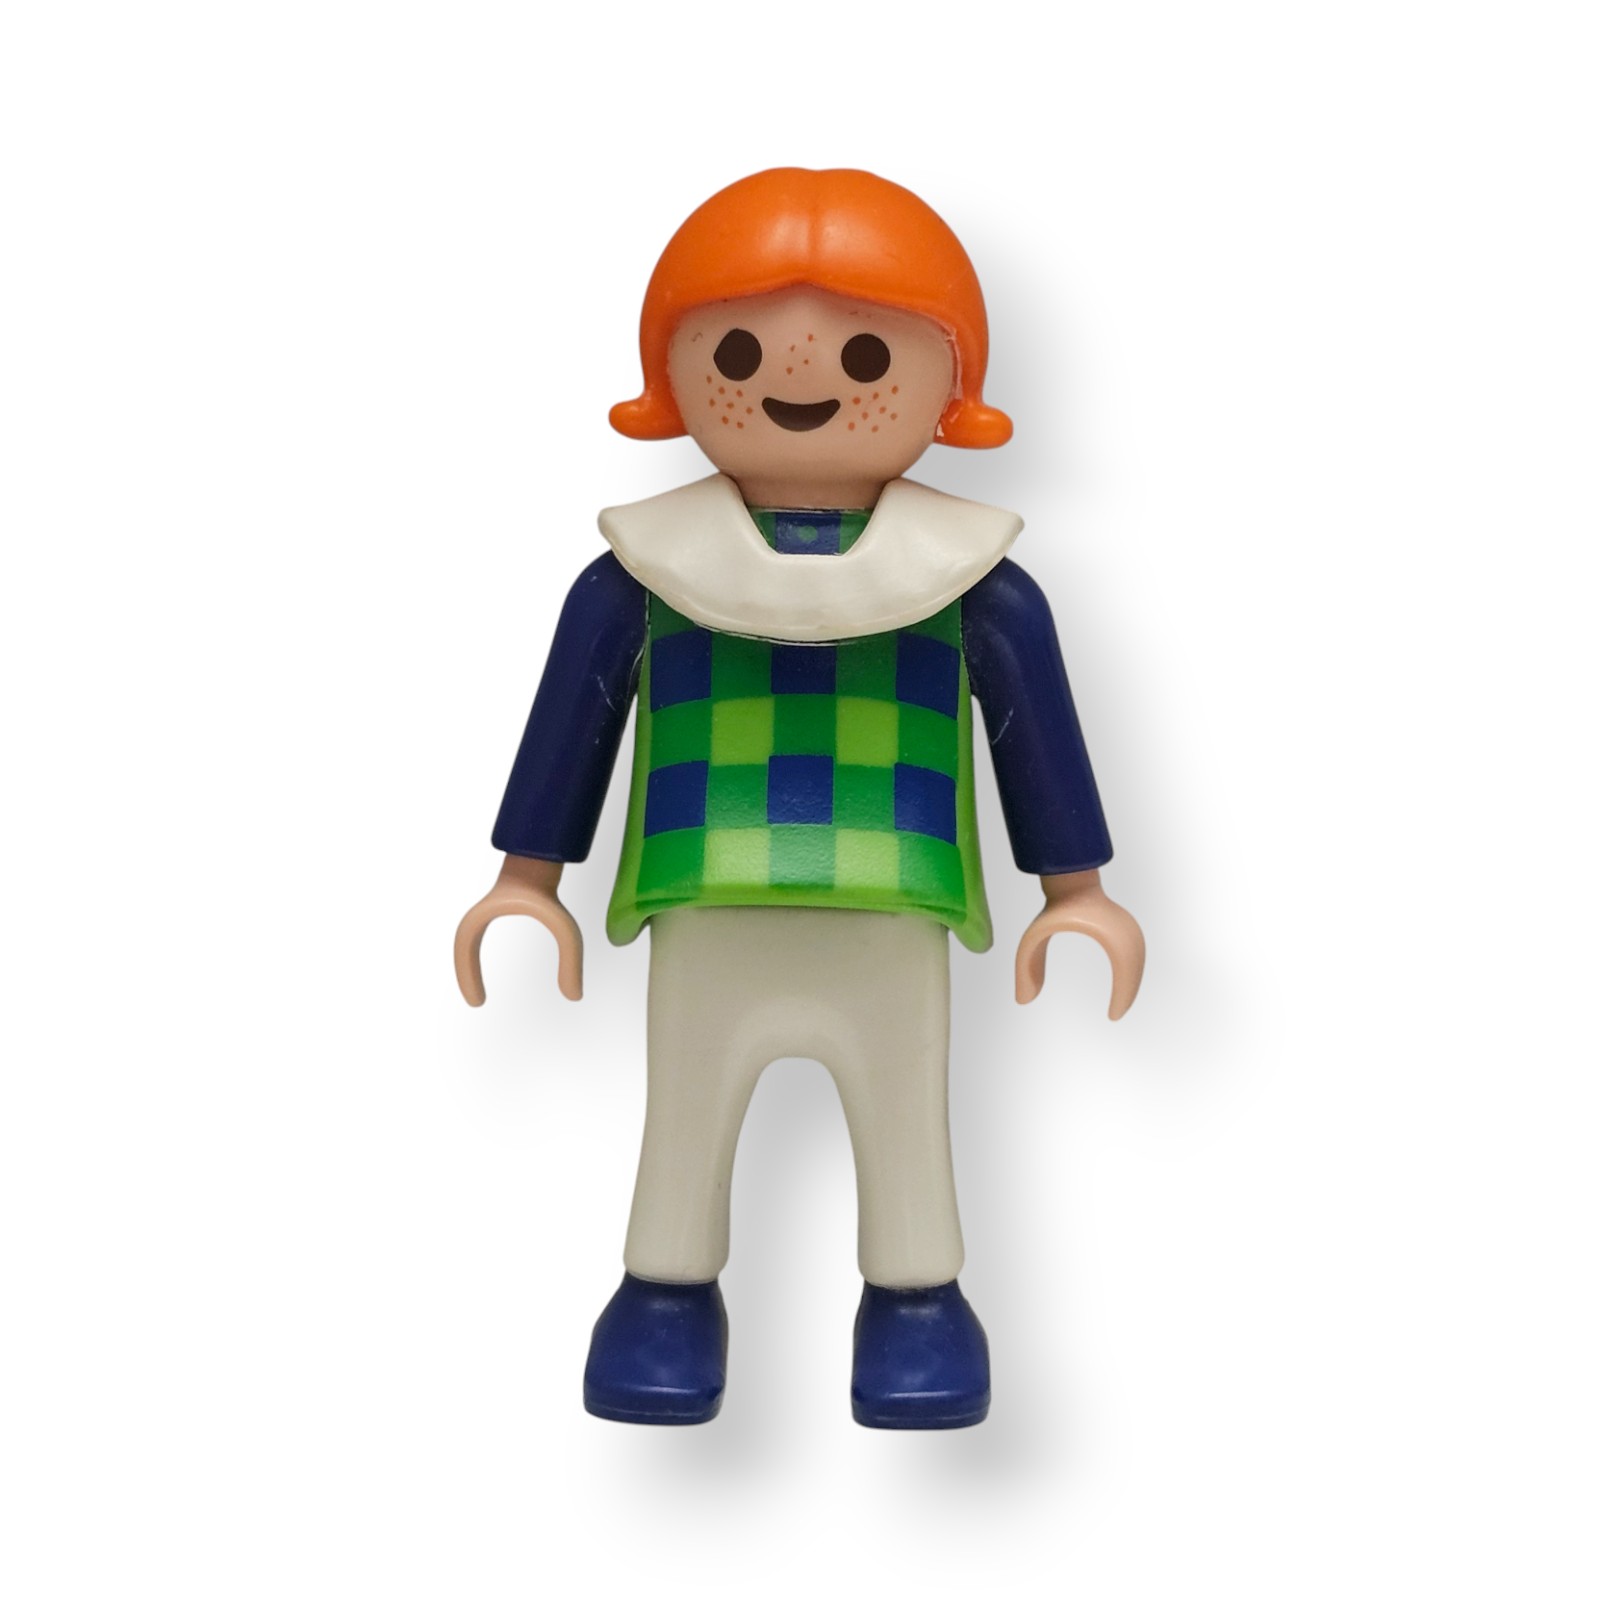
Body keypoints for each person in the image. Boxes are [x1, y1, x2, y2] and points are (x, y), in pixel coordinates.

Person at [455, 168, 1144, 1429]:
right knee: (687, 1100)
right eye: (735, 350)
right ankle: (664, 1291)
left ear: (951, 384)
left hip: (891, 901)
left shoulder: (969, 583)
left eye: (870, 352)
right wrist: (525, 876)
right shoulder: (642, 575)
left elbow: (1033, 722)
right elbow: (573, 721)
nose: (799, 379)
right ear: (671, 374)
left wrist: (1077, 888)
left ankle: (917, 1297)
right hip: (705, 891)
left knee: (903, 1102)